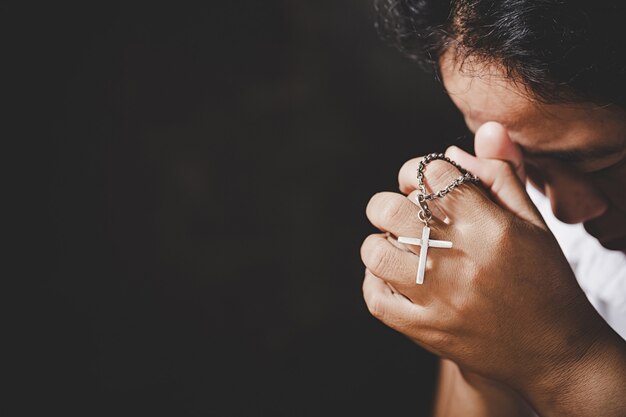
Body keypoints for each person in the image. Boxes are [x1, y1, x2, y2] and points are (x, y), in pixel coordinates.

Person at [360, 1, 626, 416]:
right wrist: (479, 346)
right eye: (529, 163)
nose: (562, 211)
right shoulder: (514, 223)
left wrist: (564, 362)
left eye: (602, 163)